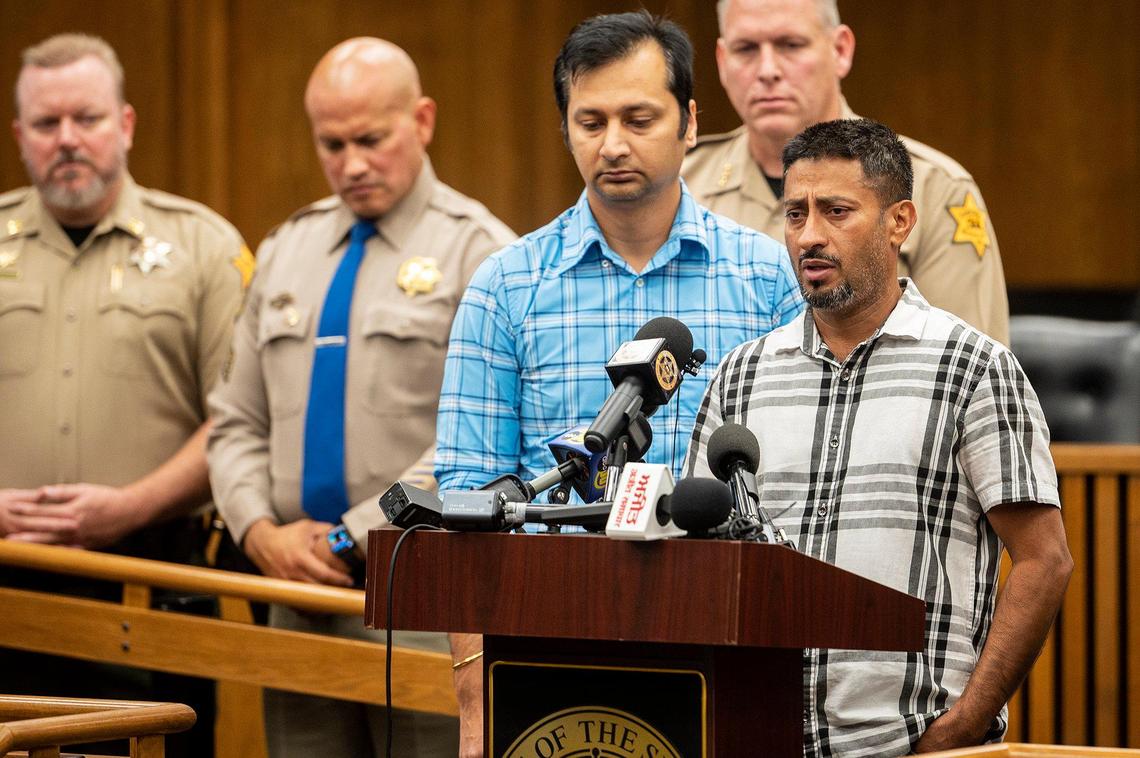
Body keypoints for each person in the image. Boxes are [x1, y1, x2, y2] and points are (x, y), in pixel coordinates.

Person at [434, 11, 803, 755]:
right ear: (566, 128)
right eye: (590, 120)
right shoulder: (506, 288)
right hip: (548, 655)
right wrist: (474, 700)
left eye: (639, 118)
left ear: (690, 122)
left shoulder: (768, 278)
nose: (613, 144)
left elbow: (802, 482)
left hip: (731, 650)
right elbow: (465, 502)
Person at [684, 118, 1072, 757]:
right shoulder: (741, 376)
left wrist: (964, 725)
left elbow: (1043, 559)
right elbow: (704, 565)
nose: (810, 236)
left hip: (914, 744)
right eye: (795, 213)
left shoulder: (971, 368)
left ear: (900, 222)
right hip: (756, 735)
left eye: (837, 211)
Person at [206, 37, 514, 757]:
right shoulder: (287, 249)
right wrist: (258, 530)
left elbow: (479, 439)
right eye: (331, 143)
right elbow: (234, 421)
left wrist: (354, 535)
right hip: (296, 591)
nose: (351, 164)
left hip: (421, 590)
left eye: (371, 139)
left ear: (423, 121)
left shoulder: (484, 254)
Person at [0, 33, 248, 756]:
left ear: (127, 125)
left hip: (151, 576)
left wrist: (131, 506)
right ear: (20, 136)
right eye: (46, 125)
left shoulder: (204, 247)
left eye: (88, 118)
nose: (67, 140)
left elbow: (235, 422)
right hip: (8, 582)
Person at [683, 0, 1010, 345]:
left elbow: (968, 367)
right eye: (746, 49)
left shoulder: (933, 186)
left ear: (840, 50)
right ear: (721, 61)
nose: (767, 70)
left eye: (790, 45)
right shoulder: (685, 185)